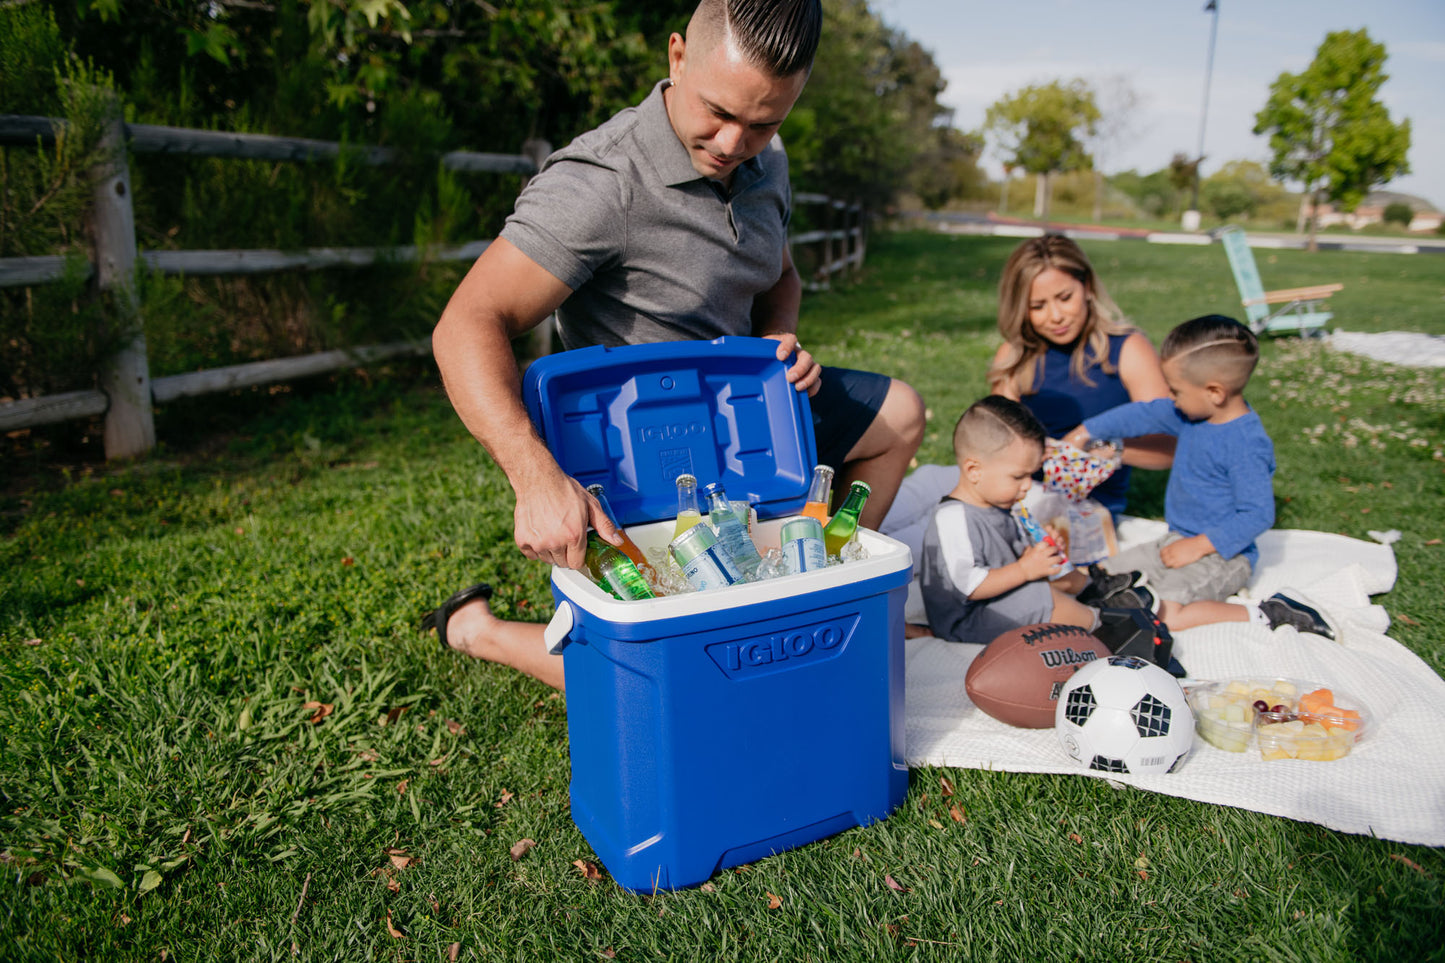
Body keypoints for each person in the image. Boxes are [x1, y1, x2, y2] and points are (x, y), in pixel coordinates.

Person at [424, 0, 925, 689]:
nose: (732, 142)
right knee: (678, 678)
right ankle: (477, 628)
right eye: (717, 112)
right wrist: (533, 476)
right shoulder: (600, 184)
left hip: (745, 424)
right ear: (676, 56)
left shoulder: (765, 161)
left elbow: (780, 273)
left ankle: (815, 592)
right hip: (639, 452)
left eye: (763, 121)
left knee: (899, 413)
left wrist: (779, 340)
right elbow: (466, 322)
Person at [1064, 315, 1335, 637]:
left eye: (1176, 390)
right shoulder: (1191, 414)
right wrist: (1086, 431)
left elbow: (1258, 513)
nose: (1171, 398)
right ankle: (1126, 597)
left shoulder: (1247, 444)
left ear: (1215, 391)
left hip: (1222, 556)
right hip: (1175, 541)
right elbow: (1144, 413)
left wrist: (1199, 545)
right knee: (1096, 576)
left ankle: (1270, 612)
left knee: (1167, 613)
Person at [988, 234, 1176, 517]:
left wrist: (1108, 449)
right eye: (1038, 306)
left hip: (1085, 512)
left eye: (1065, 298)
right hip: (1016, 497)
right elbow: (994, 444)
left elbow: (1170, 447)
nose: (1056, 316)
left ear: (1087, 286)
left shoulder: (1127, 349)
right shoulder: (1014, 356)